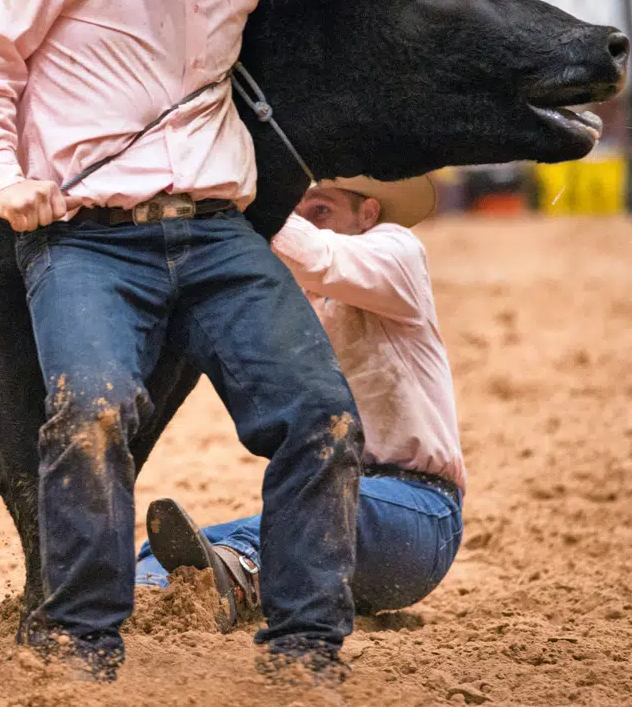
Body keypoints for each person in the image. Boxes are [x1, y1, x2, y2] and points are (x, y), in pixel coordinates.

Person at [0, 0, 362, 682]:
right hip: (83, 237)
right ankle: (80, 634)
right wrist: (2, 181)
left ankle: (306, 645)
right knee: (89, 411)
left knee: (322, 415)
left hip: (216, 230)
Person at [137, 175, 465, 630]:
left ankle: (229, 575)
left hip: (417, 510)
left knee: (297, 516)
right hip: (359, 517)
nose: (302, 221)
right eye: (295, 209)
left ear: (369, 213)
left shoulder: (397, 249)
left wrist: (242, 206)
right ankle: (156, 593)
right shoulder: (294, 291)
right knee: (161, 550)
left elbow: (317, 257)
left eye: (320, 210)